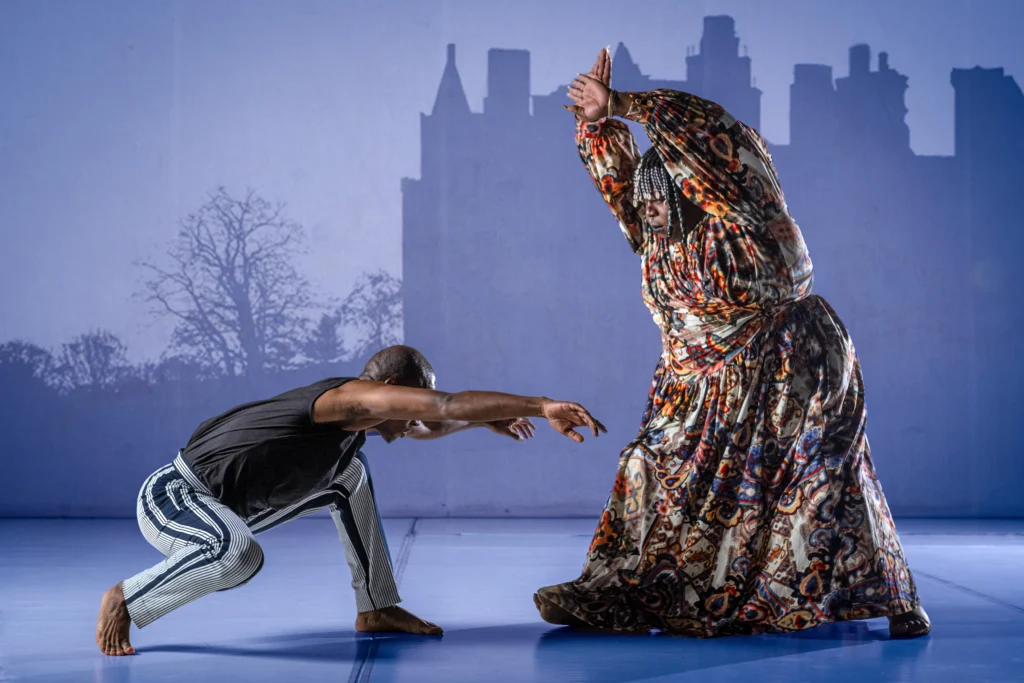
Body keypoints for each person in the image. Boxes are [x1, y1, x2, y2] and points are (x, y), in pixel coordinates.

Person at [533, 48, 930, 639]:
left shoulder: (740, 214)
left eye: (660, 198)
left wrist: (625, 103)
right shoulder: (657, 240)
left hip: (787, 364)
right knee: (651, 465)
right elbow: (617, 182)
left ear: (697, 185)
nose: (649, 208)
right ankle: (636, 588)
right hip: (695, 382)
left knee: (822, 474)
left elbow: (711, 127)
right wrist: (596, 127)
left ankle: (896, 600)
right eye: (645, 201)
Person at [96, 344, 606, 656]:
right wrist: (541, 405)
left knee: (349, 476)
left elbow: (432, 421)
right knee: (237, 553)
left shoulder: (357, 424)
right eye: (407, 403)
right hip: (176, 496)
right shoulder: (344, 398)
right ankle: (127, 597)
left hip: (232, 507)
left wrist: (481, 418)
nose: (412, 420)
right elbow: (443, 405)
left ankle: (376, 607)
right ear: (384, 388)